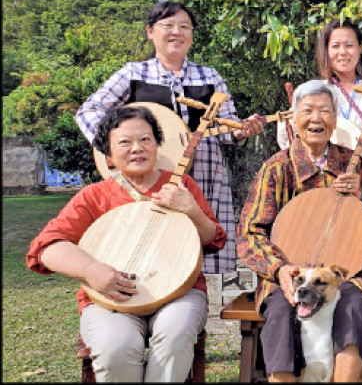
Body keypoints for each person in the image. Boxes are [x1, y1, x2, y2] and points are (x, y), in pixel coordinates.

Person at [26, 105, 226, 382]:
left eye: (146, 139)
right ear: (107, 153)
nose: (137, 148)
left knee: (175, 335)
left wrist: (191, 209)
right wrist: (92, 271)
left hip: (180, 294)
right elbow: (45, 248)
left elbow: (214, 241)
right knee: (115, 348)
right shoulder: (93, 196)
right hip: (111, 300)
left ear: (157, 145)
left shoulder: (182, 185)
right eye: (125, 142)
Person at [76, 1, 264, 276]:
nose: (177, 32)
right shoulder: (133, 74)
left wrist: (242, 130)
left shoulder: (210, 76)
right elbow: (90, 111)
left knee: (202, 246)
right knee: (150, 248)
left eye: (184, 27)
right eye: (168, 25)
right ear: (150, 31)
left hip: (204, 177)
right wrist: (109, 149)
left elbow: (229, 130)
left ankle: (196, 300)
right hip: (149, 179)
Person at [276, 19, 362, 371]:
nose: (343, 51)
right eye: (335, 45)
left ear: (359, 48)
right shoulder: (316, 90)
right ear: (326, 51)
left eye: (349, 44)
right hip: (319, 184)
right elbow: (292, 139)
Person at [237, 81, 362, 382]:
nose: (317, 119)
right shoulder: (277, 168)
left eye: (325, 111)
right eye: (308, 111)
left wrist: (361, 197)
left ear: (335, 118)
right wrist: (279, 270)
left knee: (352, 305)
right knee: (279, 308)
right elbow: (250, 233)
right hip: (289, 274)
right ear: (293, 117)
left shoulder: (350, 163)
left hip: (346, 272)